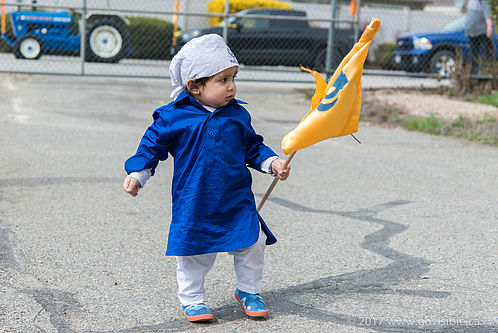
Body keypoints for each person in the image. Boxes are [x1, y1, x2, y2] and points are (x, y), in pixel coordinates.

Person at [123, 34, 290, 323]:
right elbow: (152, 146)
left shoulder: (237, 115)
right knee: (194, 251)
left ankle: (249, 291)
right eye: (222, 80)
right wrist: (139, 173)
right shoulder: (173, 117)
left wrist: (273, 163)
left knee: (253, 241)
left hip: (235, 198)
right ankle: (192, 300)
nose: (232, 86)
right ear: (194, 86)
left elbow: (253, 147)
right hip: (195, 199)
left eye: (233, 77)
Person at [464, 0, 495, 74]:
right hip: (481, 27)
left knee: (474, 53)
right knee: (488, 52)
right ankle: (487, 72)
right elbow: (487, 10)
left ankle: (474, 74)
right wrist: (489, 27)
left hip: (471, 26)